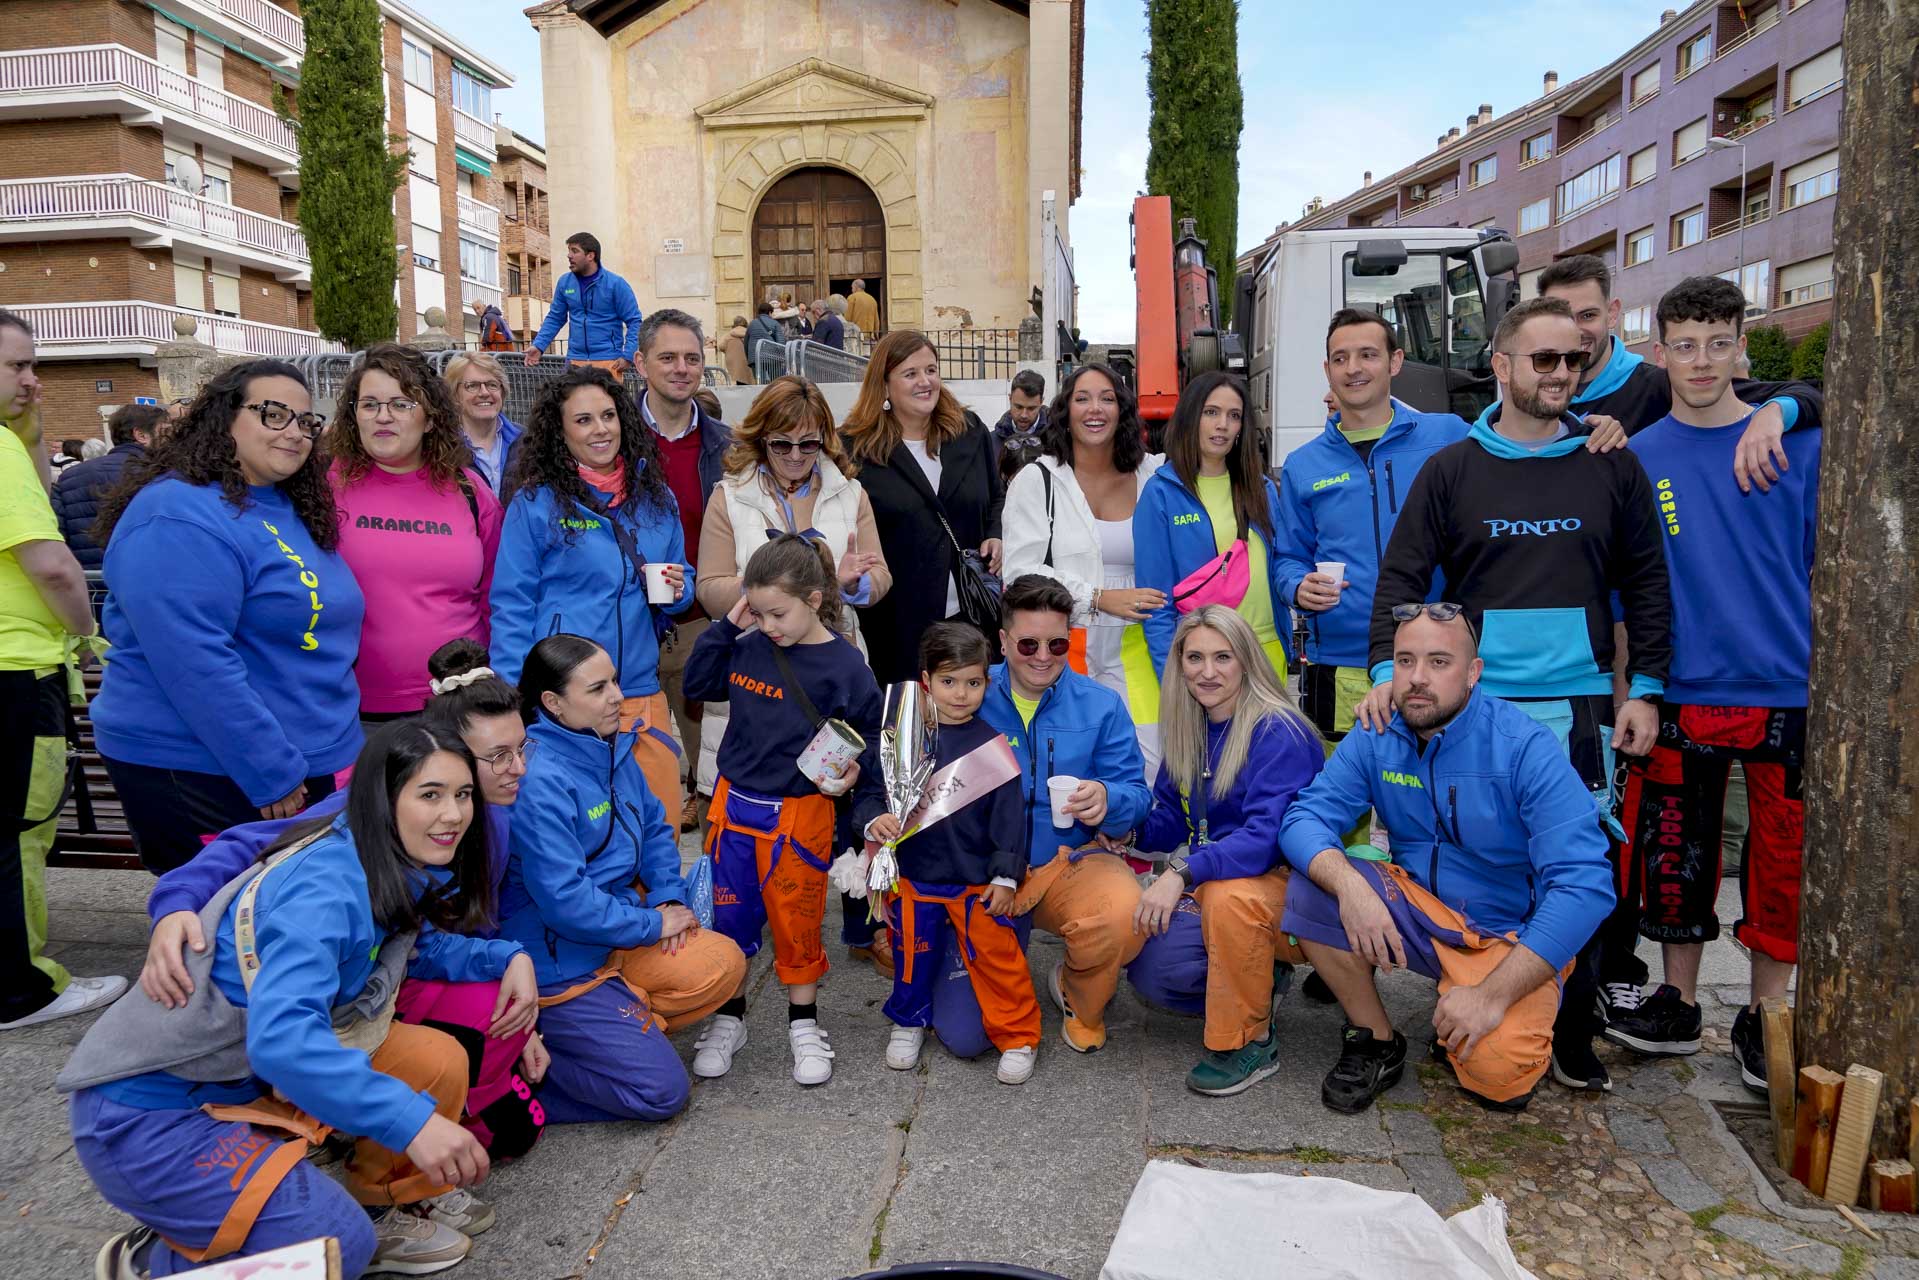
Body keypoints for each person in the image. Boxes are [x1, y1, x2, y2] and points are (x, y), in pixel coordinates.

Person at [62, 721, 537, 1279]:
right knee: (334, 1246)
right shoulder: (327, 890)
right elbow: (283, 1042)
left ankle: (359, 1203)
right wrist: (412, 1124)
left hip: (235, 1081)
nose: (454, 814)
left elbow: (411, 950)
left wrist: (507, 957)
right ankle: (151, 1261)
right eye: (430, 794)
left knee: (433, 1062)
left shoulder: (379, 857)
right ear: (381, 800)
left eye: (461, 795)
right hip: (149, 1116)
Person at [1361, 294, 1672, 1093]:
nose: (1562, 373)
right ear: (1501, 366)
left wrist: (1646, 690)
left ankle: (1571, 1030)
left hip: (1578, 706)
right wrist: (1383, 678)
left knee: (1582, 867)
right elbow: (1399, 578)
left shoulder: (1611, 461)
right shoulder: (1450, 471)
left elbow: (1645, 584)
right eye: (1544, 359)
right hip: (1477, 709)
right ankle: (1465, 1003)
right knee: (1474, 862)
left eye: (1574, 359)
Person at [137, 640, 553, 1164]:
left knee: (510, 1103)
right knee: (476, 1083)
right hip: (354, 983)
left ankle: (389, 1115)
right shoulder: (354, 844)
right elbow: (252, 843)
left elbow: (481, 924)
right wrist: (176, 903)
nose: (518, 767)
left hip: (408, 957)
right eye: (498, 756)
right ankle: (349, 1123)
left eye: (521, 748)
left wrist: (517, 985)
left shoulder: (489, 815)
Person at [1605, 277, 1820, 1095]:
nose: (1700, 361)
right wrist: (1636, 689)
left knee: (1780, 858)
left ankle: (1764, 1015)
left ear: (1742, 346)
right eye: (1683, 345)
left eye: (1717, 343)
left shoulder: (1795, 442)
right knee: (1674, 851)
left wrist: (1789, 409)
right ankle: (1678, 1000)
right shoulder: (1635, 457)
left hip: (1785, 687)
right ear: (1658, 353)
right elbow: (1626, 588)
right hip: (1678, 688)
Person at [1278, 607, 1616, 1114]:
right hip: (1421, 913)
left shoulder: (1525, 747)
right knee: (1314, 884)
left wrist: (1492, 995)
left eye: (1439, 662)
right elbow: (1304, 819)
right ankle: (1376, 1037)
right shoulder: (1377, 732)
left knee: (1499, 1077)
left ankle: (1485, 999)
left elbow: (1585, 885)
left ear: (1473, 672)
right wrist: (1351, 888)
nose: (1417, 678)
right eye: (1405, 660)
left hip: (1507, 936)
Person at [90, 360, 364, 874]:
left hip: (298, 762)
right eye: (274, 414)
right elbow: (193, 663)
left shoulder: (285, 505)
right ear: (223, 419)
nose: (295, 433)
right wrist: (270, 770)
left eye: (306, 421)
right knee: (229, 932)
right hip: (207, 768)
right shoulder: (176, 512)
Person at [498, 635, 745, 1124]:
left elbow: (655, 828)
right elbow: (565, 903)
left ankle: (618, 1024)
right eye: (597, 688)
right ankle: (519, 1085)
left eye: (614, 680)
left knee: (724, 963)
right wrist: (655, 927)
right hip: (559, 960)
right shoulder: (539, 779)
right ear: (552, 703)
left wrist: (667, 899)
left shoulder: (608, 746)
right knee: (662, 1094)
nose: (616, 695)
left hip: (616, 930)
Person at [695, 375, 892, 970]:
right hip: (758, 661)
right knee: (761, 818)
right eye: (783, 445)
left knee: (847, 789)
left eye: (809, 444)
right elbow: (709, 588)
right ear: (758, 440)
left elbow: (881, 578)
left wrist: (855, 582)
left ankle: (863, 925)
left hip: (830, 660)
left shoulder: (849, 492)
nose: (797, 457)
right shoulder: (729, 496)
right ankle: (742, 948)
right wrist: (792, 576)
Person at [684, 537, 884, 1085]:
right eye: (760, 610)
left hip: (801, 814)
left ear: (815, 599)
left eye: (779, 612)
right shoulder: (745, 644)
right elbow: (696, 685)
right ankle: (729, 1017)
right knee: (730, 920)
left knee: (798, 923)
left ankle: (803, 1021)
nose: (768, 623)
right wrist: (728, 624)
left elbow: (869, 736)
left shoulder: (845, 664)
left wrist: (854, 773)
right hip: (733, 806)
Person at [1127, 607, 1324, 1095]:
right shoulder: (1189, 725)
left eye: (1222, 657)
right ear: (1178, 664)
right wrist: (1122, 827)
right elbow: (1173, 817)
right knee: (1153, 974)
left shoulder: (1282, 732)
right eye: (1194, 657)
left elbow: (1265, 841)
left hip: (1288, 888)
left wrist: (1180, 872)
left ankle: (1248, 1040)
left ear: (1247, 661)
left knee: (1227, 898)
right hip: (1217, 882)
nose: (1207, 672)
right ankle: (1259, 975)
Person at [490, 366, 695, 816]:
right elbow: (512, 605)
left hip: (639, 694)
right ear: (560, 432)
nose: (600, 429)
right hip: (567, 705)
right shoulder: (535, 504)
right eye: (583, 420)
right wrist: (512, 700)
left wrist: (679, 592)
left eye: (608, 415)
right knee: (582, 839)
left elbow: (683, 580)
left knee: (656, 831)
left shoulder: (657, 499)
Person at [0, 308, 121, 1032]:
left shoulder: (13, 446)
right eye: (15, 366)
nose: (31, 379)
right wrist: (84, 635)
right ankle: (21, 989)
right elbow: (53, 565)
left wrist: (33, 430)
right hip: (16, 670)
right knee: (18, 829)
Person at [974, 575, 1154, 1054]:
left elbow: (1137, 797)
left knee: (1124, 915)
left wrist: (1107, 801)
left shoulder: (1101, 703)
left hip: (1068, 860)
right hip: (982, 867)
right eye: (1028, 642)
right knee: (970, 1033)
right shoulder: (969, 691)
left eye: (1057, 642)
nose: (1043, 655)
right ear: (1003, 641)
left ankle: (1078, 990)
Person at [1275, 310, 1469, 742]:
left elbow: (1516, 440)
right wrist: (1296, 587)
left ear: (1395, 362)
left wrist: (1581, 426)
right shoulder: (1303, 465)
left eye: (1368, 354)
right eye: (1340, 359)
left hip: (1437, 656)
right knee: (1348, 803)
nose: (1354, 368)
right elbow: (1288, 556)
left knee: (1436, 799)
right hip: (1344, 663)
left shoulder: (1449, 437)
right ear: (1327, 370)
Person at [865, 621, 1040, 1085]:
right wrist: (873, 819)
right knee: (910, 954)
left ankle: (1019, 1034)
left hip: (976, 884)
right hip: (916, 878)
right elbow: (868, 789)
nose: (961, 693)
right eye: (948, 681)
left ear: (987, 681)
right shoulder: (900, 739)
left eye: (973, 682)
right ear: (926, 681)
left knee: (998, 960)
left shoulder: (992, 749)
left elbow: (1010, 822)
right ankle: (908, 1020)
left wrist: (1005, 878)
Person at [1001, 363, 1167, 772]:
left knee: (1150, 760)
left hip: (1139, 644)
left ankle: (1127, 835)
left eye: (1107, 398)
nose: (1095, 409)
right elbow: (1020, 573)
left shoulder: (1154, 474)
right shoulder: (1037, 480)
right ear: (1065, 411)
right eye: (1082, 398)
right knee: (1067, 765)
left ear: (1123, 410)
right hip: (1065, 643)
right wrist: (1098, 598)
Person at [1536, 254, 1822, 486]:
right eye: (1561, 316)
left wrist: (1774, 413)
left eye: (1588, 315)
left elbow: (1809, 393)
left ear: (1612, 313)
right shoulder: (1534, 395)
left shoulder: (1664, 385)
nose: (1574, 329)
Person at [329, 345, 503, 722]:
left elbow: (498, 598)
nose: (383, 416)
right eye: (369, 404)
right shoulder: (326, 487)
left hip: (459, 703)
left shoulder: (471, 491)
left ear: (429, 419)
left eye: (401, 404)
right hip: (354, 711)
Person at [841, 330, 1004, 684]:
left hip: (971, 616)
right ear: (883, 386)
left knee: (969, 726)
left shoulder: (970, 431)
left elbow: (996, 496)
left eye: (931, 370)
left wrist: (995, 534)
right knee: (904, 731)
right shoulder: (854, 450)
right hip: (896, 626)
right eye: (910, 373)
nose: (925, 381)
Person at [633, 309, 732, 832]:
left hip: (700, 626)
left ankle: (714, 897)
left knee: (715, 774)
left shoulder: (729, 446)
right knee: (633, 783)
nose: (681, 368)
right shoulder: (611, 439)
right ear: (641, 362)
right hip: (626, 631)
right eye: (667, 357)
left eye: (692, 358)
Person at [1135, 371, 1291, 684]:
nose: (1223, 425)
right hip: (1207, 664)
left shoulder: (1262, 489)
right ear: (1191, 418)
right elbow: (1156, 603)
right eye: (1211, 412)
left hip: (1268, 650)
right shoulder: (1161, 493)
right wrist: (1172, 679)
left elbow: (1282, 565)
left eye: (1234, 416)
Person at [53, 403, 163, 570]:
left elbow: (57, 535)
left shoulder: (68, 477)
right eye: (165, 432)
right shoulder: (159, 474)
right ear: (141, 435)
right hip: (144, 578)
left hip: (88, 582)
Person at [524, 231, 641, 376]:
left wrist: (628, 356)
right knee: (569, 398)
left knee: (605, 400)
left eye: (575, 251)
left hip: (608, 361)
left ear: (591, 256)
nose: (569, 256)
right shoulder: (565, 283)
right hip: (574, 361)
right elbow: (555, 318)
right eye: (569, 251)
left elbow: (634, 321)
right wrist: (539, 345)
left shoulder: (616, 284)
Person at [444, 352, 522, 497]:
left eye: (492, 385)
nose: (484, 393)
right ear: (454, 395)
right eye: (472, 386)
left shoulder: (528, 440)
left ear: (502, 391)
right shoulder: (442, 446)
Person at [993, 369, 1049, 448]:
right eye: (1019, 407)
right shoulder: (991, 442)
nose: (1024, 415)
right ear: (1010, 398)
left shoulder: (1056, 440)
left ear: (1041, 402)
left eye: (1031, 408)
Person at [745, 302, 783, 380]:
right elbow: (781, 342)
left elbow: (746, 342)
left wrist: (749, 357)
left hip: (755, 357)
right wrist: (782, 358)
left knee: (760, 383)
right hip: (772, 357)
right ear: (769, 312)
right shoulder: (775, 323)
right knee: (775, 382)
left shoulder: (752, 324)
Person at [721, 315, 751, 385]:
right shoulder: (749, 333)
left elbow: (721, 347)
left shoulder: (729, 334)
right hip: (748, 360)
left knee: (739, 379)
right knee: (749, 379)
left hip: (734, 361)